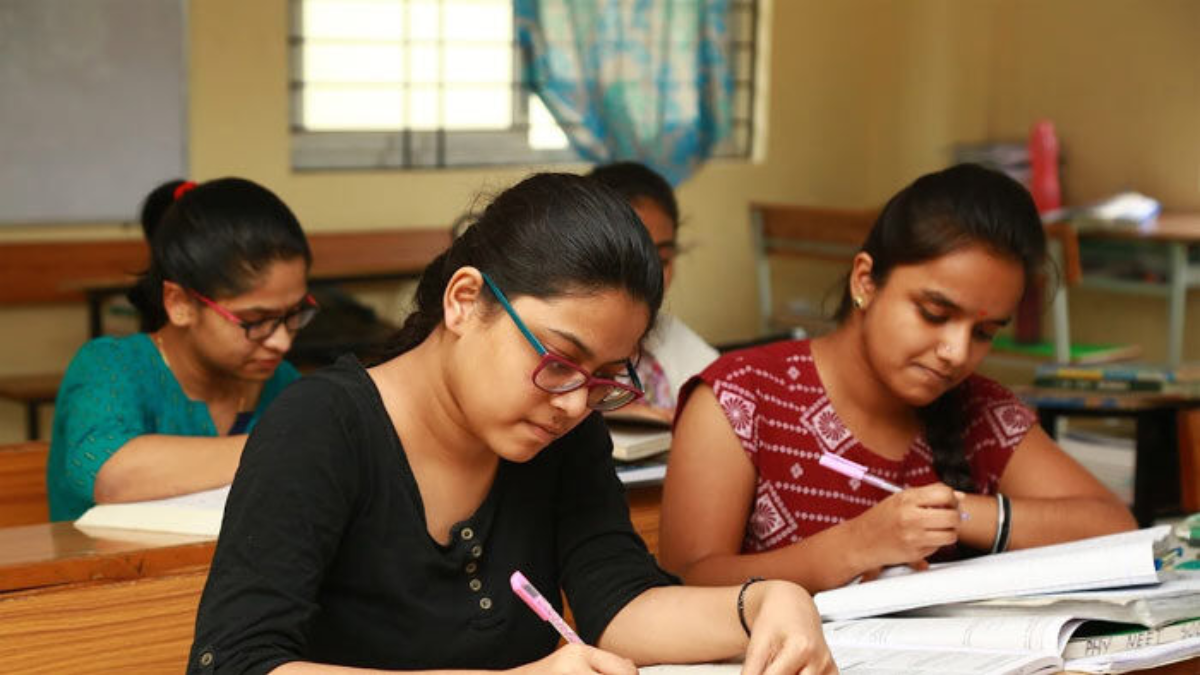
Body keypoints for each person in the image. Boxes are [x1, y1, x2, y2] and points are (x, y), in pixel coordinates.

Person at [188, 173, 834, 675]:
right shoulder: (322, 425)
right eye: (559, 359)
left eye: (605, 373)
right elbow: (238, 661)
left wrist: (766, 602)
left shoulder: (564, 429)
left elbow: (620, 603)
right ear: (465, 299)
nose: (577, 401)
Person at [658, 163, 1137, 593]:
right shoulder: (741, 398)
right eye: (934, 313)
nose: (956, 352)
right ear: (865, 281)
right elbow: (686, 580)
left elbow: (1114, 527)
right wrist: (852, 547)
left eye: (985, 332)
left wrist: (956, 514)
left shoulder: (980, 413)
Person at [46, 177, 316, 521]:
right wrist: (288, 447)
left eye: (294, 313)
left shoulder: (280, 382)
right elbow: (109, 474)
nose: (282, 341)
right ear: (180, 303)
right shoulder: (110, 366)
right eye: (254, 320)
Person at [587, 162, 718, 422]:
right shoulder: (562, 346)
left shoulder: (672, 339)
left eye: (664, 259)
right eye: (636, 260)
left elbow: (724, 397)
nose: (653, 277)